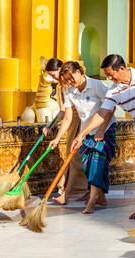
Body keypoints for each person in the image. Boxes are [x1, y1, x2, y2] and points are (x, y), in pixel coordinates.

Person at [50, 61, 116, 214]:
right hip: (86, 131)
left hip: (105, 129)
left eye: (71, 78)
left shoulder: (96, 85)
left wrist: (101, 130)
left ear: (79, 72)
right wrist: (57, 138)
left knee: (96, 164)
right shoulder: (70, 92)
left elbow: (110, 107)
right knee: (87, 166)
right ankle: (101, 198)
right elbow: (67, 118)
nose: (69, 82)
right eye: (66, 80)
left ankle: (91, 203)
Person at [99, 54, 135, 220]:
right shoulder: (114, 89)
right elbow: (104, 111)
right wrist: (93, 131)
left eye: (111, 74)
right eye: (107, 75)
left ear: (122, 68)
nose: (110, 78)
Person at [42, 58, 89, 204]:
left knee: (75, 156)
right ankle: (70, 190)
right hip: (72, 120)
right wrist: (51, 126)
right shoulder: (62, 88)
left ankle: (71, 191)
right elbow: (63, 112)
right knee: (72, 155)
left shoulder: (75, 82)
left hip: (83, 119)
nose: (54, 77)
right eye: (50, 75)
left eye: (54, 74)